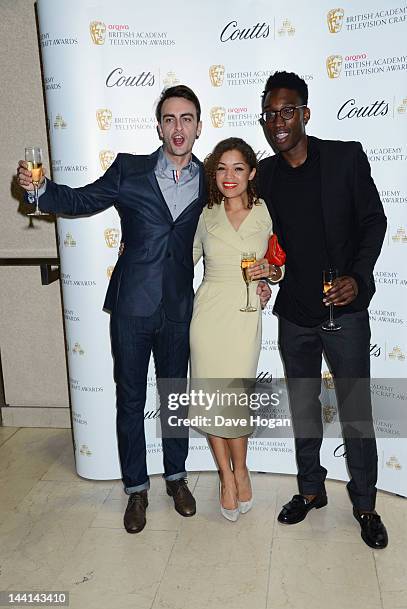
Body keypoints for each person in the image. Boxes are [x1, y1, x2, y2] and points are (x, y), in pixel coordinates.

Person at [17, 85, 271, 534]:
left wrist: (265, 280)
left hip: (180, 309)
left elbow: (229, 236)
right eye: (170, 119)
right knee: (130, 399)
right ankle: (136, 487)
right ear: (159, 126)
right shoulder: (129, 170)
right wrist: (40, 191)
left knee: (173, 397)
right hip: (132, 306)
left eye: (187, 119)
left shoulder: (211, 185)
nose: (178, 128)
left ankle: (176, 478)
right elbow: (81, 201)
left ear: (198, 127)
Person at [258, 71, 388, 548]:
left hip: (346, 312)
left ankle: (366, 503)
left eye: (287, 111)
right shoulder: (264, 174)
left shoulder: (345, 157)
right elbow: (232, 211)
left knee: (356, 410)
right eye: (270, 113)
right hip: (295, 313)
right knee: (304, 407)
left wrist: (359, 276)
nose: (278, 121)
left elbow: (374, 220)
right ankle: (311, 490)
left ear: (305, 114)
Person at [189, 137, 283, 521]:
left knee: (236, 400)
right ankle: (226, 478)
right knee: (214, 399)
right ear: (214, 174)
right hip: (209, 311)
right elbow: (184, 259)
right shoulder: (205, 214)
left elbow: (278, 264)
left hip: (246, 312)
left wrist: (270, 275)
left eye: (238, 168)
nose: (230, 176)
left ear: (252, 173)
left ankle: (241, 468)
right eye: (222, 169)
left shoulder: (265, 212)